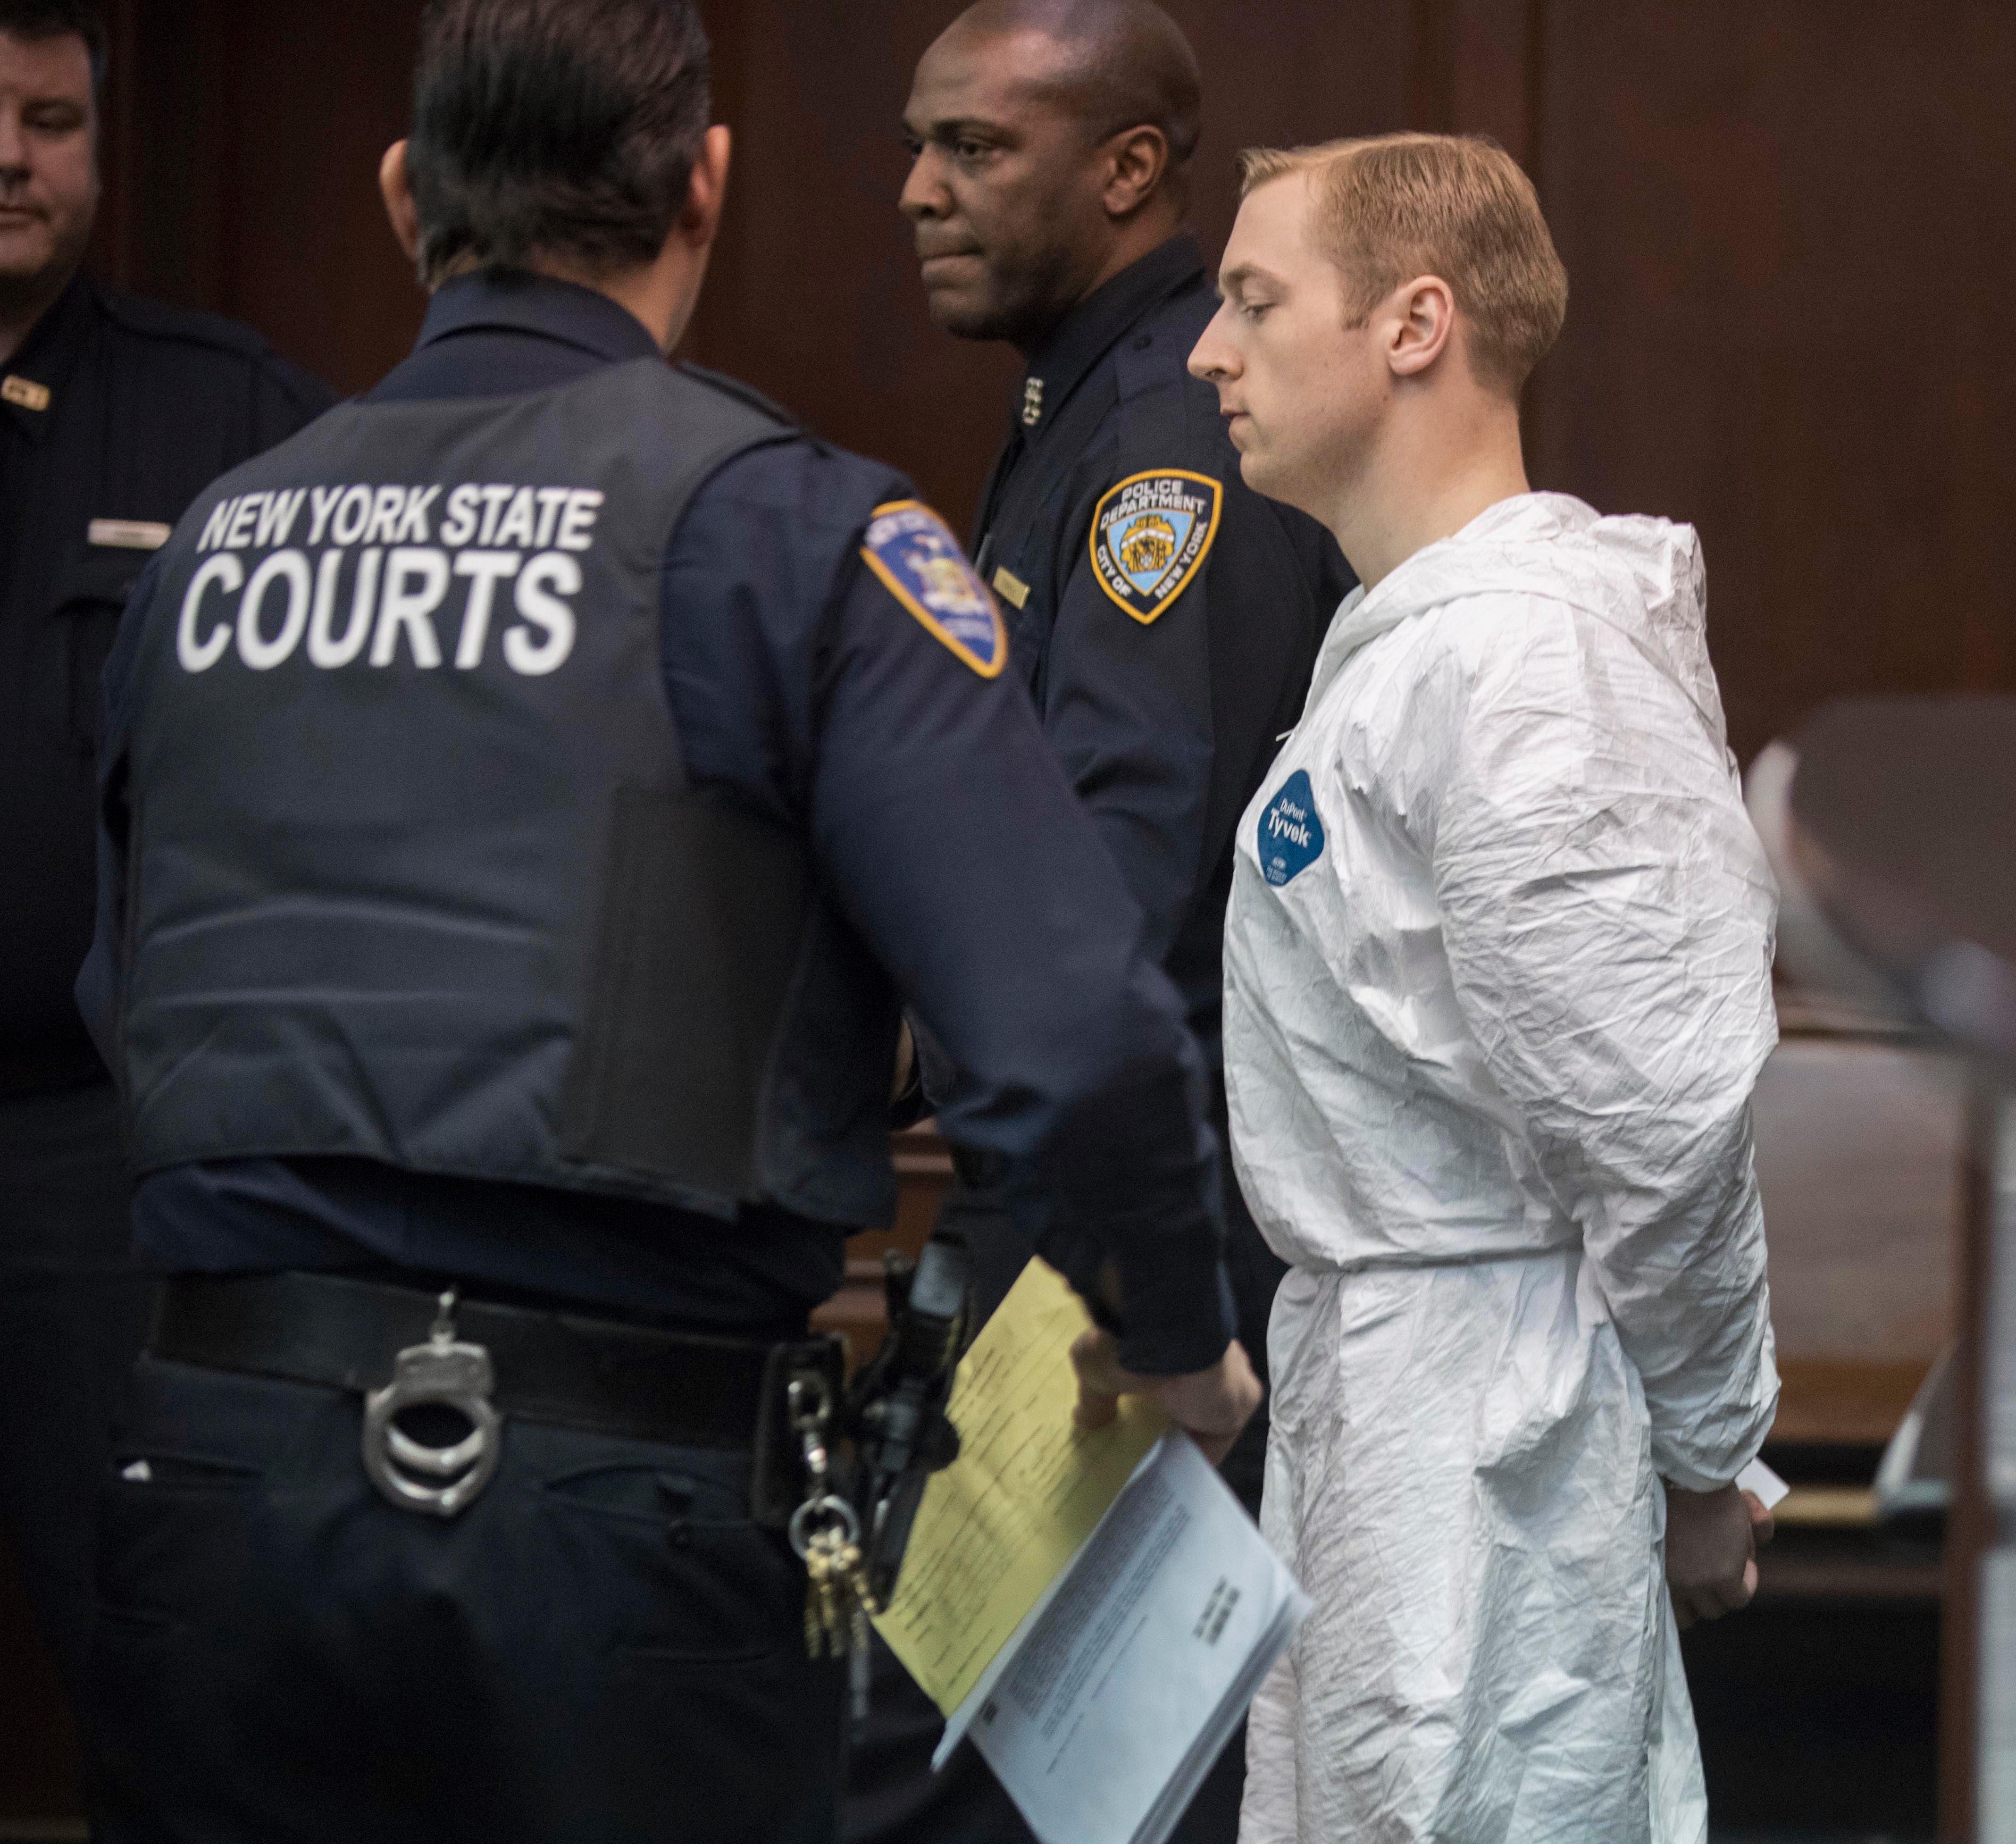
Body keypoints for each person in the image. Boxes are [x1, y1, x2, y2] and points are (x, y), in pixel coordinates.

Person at [77, 3, 1255, 1839]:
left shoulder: (215, 536)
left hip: (213, 1470)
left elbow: (119, 983)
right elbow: (1072, 1031)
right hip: (613, 1497)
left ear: (407, 199)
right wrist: (1174, 1329)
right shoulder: (792, 533)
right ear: (703, 185)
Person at [1187, 132, 1782, 1843]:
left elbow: (1658, 1129)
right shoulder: (1420, 642)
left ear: (1414, 323)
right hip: (1396, 1400)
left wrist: (1706, 1455)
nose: (1203, 353)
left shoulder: (1532, 669)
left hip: (1487, 1435)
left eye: (1251, 299)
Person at [849, 5, 1350, 1837]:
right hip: (1090, 1221)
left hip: (1110, 1258)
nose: (917, 190)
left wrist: (1103, 1272)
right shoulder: (1089, 404)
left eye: (976, 149)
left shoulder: (1160, 437)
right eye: (920, 144)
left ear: (1129, 167)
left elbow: (1119, 886)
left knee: (1008, 1793)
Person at [0, 0, 331, 1758]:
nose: (9, 155)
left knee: (158, 1649)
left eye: (52, 119)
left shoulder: (230, 418)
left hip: (94, 1156)